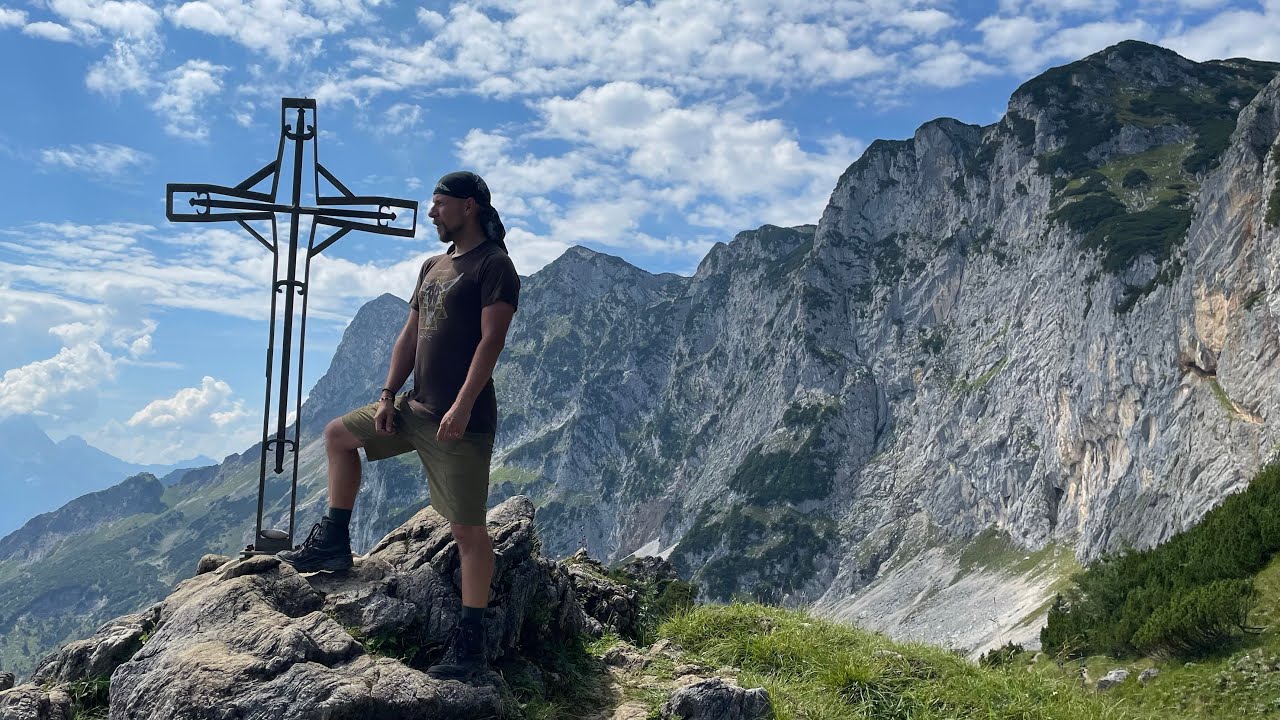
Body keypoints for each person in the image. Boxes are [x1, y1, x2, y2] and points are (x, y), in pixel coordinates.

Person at [279, 171, 520, 681]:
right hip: (414, 409)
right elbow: (410, 335)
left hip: (461, 421)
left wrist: (460, 406)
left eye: (439, 204)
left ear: (469, 206)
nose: (431, 213)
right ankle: (334, 544)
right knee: (339, 435)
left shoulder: (495, 266)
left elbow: (490, 343)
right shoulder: (433, 265)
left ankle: (471, 643)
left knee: (468, 531)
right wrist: (389, 395)